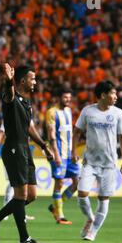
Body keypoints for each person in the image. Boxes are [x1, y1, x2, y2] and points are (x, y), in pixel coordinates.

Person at [0, 64, 54, 243]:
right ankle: (24, 239)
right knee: (20, 195)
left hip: (25, 150)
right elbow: (8, 92)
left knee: (31, 195)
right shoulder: (11, 98)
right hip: (14, 149)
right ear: (22, 80)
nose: (35, 82)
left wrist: (44, 146)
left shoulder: (26, 102)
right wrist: (8, 80)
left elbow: (30, 128)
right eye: (32, 78)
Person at [72, 80, 122, 241]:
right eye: (113, 93)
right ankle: (90, 218)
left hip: (109, 164)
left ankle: (93, 232)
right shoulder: (88, 111)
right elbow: (77, 132)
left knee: (103, 198)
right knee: (82, 195)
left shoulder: (118, 113)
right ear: (103, 95)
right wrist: (73, 151)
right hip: (90, 162)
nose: (116, 96)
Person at [45, 88, 80, 225]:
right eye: (65, 97)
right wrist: (56, 155)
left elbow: (70, 134)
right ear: (59, 98)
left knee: (77, 182)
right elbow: (51, 135)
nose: (68, 100)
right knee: (59, 183)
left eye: (69, 98)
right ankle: (59, 216)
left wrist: (74, 152)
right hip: (58, 153)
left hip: (69, 154)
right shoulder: (52, 112)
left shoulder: (68, 111)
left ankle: (54, 206)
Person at [0, 122, 35, 222]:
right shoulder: (12, 114)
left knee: (23, 186)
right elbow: (1, 133)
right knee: (14, 182)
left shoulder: (27, 115)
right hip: (13, 152)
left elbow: (32, 132)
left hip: (24, 152)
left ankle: (20, 212)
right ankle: (6, 207)